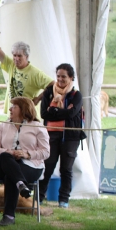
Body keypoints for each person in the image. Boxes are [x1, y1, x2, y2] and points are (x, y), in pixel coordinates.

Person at [0, 97, 49, 226]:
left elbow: (46, 152)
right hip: (3, 164)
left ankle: (9, 217)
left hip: (30, 166)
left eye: (14, 106)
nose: (10, 109)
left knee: (11, 176)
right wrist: (9, 152)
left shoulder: (37, 127)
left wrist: (27, 154)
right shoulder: (3, 126)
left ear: (24, 109)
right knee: (6, 157)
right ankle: (21, 184)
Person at [0, 15, 53, 112]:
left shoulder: (35, 73)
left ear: (26, 56)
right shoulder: (11, 65)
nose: (16, 59)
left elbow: (52, 84)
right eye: (14, 55)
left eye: (19, 56)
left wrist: (38, 98)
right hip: (11, 113)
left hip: (27, 115)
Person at [38, 63, 86, 208]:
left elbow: (72, 114)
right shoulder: (48, 92)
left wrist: (54, 111)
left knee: (66, 169)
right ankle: (39, 197)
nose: (60, 79)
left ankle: (63, 199)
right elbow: (44, 114)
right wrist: (58, 112)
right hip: (50, 135)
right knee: (47, 166)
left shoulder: (76, 95)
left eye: (63, 76)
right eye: (58, 76)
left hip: (70, 137)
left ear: (71, 77)